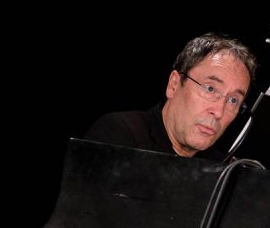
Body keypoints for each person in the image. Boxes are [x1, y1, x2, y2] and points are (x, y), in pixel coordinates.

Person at [84, 32, 258, 157]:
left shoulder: (221, 169)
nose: (219, 112)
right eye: (210, 89)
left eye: (233, 100)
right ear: (174, 84)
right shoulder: (121, 135)